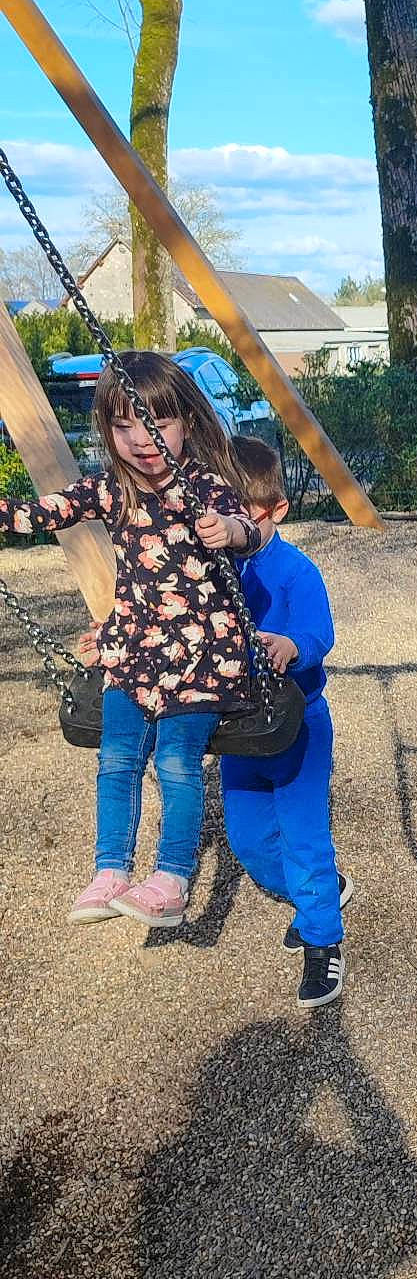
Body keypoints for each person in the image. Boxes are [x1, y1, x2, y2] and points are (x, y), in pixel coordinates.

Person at [0, 352, 260, 930]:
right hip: (134, 654)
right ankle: (110, 870)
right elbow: (47, 511)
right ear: (107, 429)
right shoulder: (111, 488)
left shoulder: (202, 485)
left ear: (185, 424)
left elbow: (244, 529)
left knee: (175, 763)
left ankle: (170, 878)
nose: (141, 439)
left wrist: (230, 531)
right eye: (124, 425)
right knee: (117, 761)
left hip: (201, 659)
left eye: (157, 424)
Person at [217, 436, 349, 1010]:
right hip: (238, 727)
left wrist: (292, 644)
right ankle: (321, 892)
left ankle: (323, 939)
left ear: (277, 511)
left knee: (304, 838)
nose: (229, 526)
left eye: (242, 514)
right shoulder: (213, 571)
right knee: (248, 841)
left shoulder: (296, 572)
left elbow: (321, 632)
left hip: (296, 722)